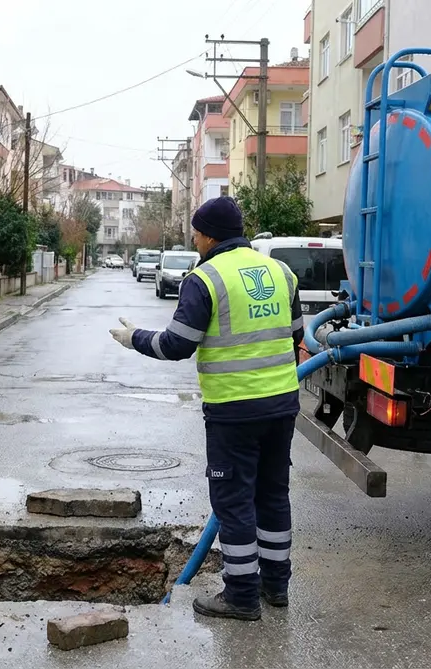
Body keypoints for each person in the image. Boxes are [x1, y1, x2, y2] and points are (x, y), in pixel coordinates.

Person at [109, 196, 303, 621]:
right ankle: (276, 587)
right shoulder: (281, 273)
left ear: (210, 235)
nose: (194, 239)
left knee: (233, 501)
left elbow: (176, 344)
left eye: (196, 232)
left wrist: (134, 338)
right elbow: (294, 335)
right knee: (273, 496)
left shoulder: (206, 278)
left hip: (234, 409)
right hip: (282, 405)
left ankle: (242, 595)